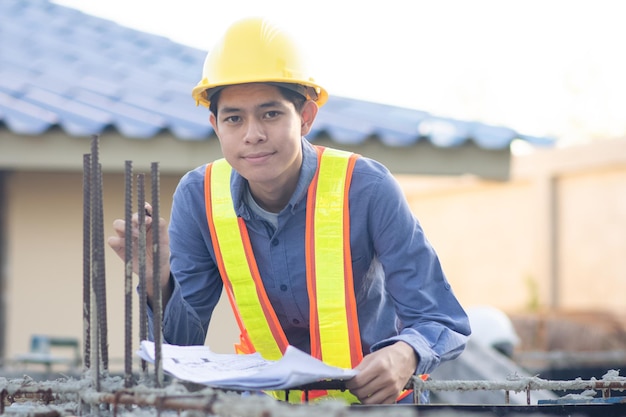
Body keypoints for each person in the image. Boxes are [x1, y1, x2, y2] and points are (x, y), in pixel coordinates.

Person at [108, 17, 470, 405]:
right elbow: (181, 346)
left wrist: (406, 353)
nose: (252, 134)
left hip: (377, 408)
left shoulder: (367, 188)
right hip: (268, 409)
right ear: (215, 125)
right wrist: (156, 282)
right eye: (234, 118)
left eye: (271, 114)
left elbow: (441, 318)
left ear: (306, 117)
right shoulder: (198, 198)